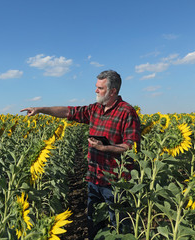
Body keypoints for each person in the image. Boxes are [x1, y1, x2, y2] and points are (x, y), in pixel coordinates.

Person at [20, 70, 141, 239]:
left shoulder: (127, 112)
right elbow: (69, 111)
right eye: (96, 87)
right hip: (94, 178)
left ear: (113, 91)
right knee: (95, 228)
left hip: (116, 183)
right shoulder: (95, 109)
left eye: (100, 88)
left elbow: (132, 147)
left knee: (120, 228)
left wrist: (105, 148)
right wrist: (40, 109)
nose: (96, 91)